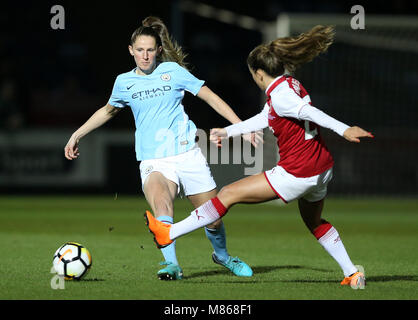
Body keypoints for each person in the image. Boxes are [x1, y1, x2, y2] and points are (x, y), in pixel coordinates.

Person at [145, 25, 374, 287]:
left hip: (297, 172)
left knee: (228, 194)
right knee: (314, 222)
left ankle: (168, 232)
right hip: (322, 168)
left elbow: (309, 113)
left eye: (253, 74)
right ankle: (352, 272)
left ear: (259, 73)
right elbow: (267, 117)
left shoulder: (283, 96)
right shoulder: (289, 84)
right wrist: (229, 131)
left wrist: (345, 129)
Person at [64, 16, 258, 280]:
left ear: (158, 50)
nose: (145, 56)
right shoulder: (124, 82)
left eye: (150, 50)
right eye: (140, 50)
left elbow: (210, 96)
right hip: (154, 161)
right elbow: (108, 111)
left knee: (213, 218)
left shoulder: (174, 72)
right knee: (162, 206)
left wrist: (240, 127)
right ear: (131, 50)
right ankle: (172, 265)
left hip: (188, 154)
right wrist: (77, 134)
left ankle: (222, 256)